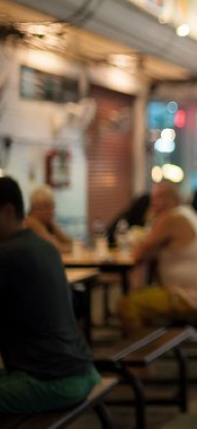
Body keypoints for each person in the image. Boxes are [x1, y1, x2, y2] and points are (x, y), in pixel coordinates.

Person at [0, 176, 100, 413]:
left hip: (54, 381)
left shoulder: (8, 255)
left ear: (7, 211)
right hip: (83, 370)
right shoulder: (44, 247)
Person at [117, 182, 197, 333]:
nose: (154, 204)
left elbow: (139, 253)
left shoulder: (173, 218)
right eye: (153, 199)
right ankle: (154, 340)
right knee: (143, 295)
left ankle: (142, 349)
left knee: (128, 304)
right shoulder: (187, 214)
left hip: (191, 299)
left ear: (175, 200)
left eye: (160, 198)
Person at [25, 185, 72, 252]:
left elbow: (68, 241)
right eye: (49, 207)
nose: (52, 211)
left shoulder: (48, 222)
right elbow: (55, 248)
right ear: (36, 208)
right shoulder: (31, 222)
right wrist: (72, 247)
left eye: (53, 206)